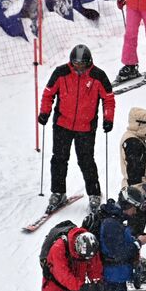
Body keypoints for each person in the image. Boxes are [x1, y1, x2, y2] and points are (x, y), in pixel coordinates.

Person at [39, 44, 115, 214]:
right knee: (59, 158)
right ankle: (58, 192)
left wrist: (108, 118)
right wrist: (45, 112)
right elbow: (48, 93)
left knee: (86, 160)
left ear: (89, 62)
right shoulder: (61, 72)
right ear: (71, 62)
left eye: (83, 64)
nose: (79, 68)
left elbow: (108, 98)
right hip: (62, 124)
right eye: (76, 64)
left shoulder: (98, 76)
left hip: (86, 127)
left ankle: (94, 193)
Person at [118, 107, 146, 192]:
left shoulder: (134, 138)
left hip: (136, 187)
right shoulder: (132, 142)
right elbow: (133, 171)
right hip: (134, 189)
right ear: (139, 124)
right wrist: (137, 192)